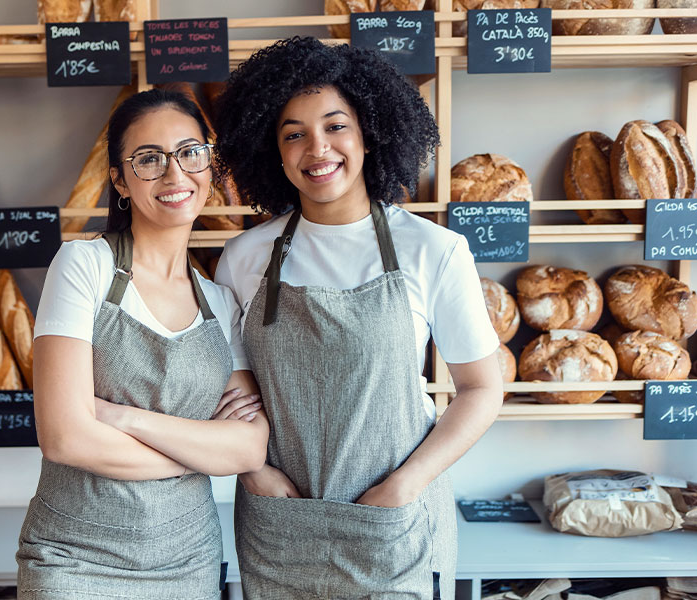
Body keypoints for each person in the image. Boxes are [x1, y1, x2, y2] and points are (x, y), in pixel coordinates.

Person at [213, 36, 503, 599]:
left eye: (335, 125)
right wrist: (253, 473)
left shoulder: (434, 250)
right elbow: (232, 386)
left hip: (395, 523)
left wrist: (406, 485)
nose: (317, 148)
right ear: (272, 151)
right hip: (282, 525)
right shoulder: (245, 257)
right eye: (293, 133)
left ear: (369, 131)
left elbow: (481, 388)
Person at [16, 88, 269, 600]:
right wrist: (200, 450)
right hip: (75, 558)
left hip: (188, 560)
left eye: (189, 152)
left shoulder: (221, 301)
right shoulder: (84, 267)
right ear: (120, 181)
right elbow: (65, 439)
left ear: (210, 165)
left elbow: (248, 447)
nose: (175, 175)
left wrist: (122, 418)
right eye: (149, 159)